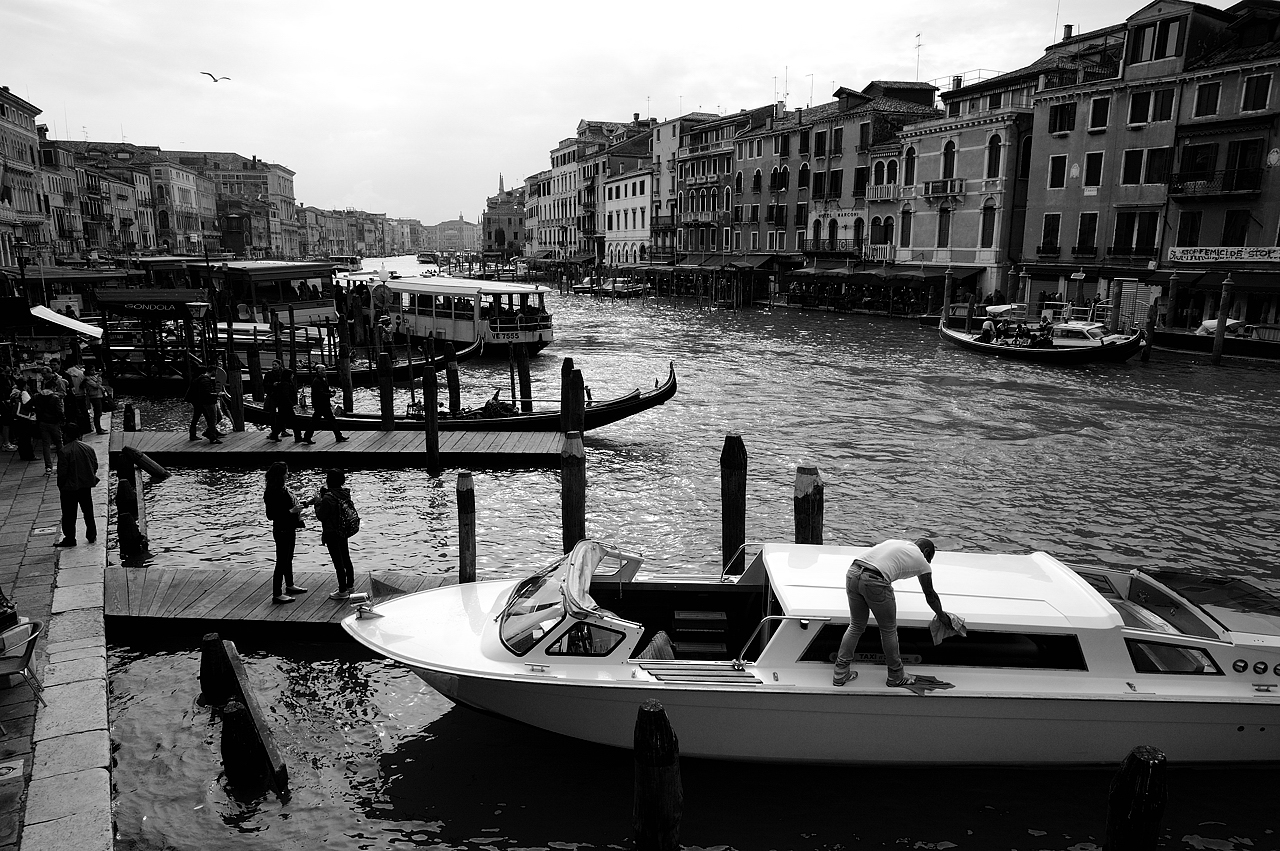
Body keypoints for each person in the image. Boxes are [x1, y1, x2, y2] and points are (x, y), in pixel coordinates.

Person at [833, 538, 954, 689]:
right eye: (929, 559)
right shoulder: (922, 560)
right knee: (888, 629)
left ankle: (840, 672)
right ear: (927, 552)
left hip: (853, 572)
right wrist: (942, 616)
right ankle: (896, 675)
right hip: (875, 579)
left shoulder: (896, 543)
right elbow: (930, 594)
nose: (927, 563)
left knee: (856, 625)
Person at [262, 461, 309, 604]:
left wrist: (308, 503)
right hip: (281, 529)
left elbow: (292, 504)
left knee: (288, 559)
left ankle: (290, 584)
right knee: (281, 562)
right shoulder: (271, 492)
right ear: (280, 475)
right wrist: (291, 512)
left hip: (289, 528)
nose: (288, 475)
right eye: (286, 473)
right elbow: (271, 515)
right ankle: (277, 593)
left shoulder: (282, 489)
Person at [54, 423, 99, 547]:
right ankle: (92, 534)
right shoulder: (88, 448)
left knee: (69, 514)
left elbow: (62, 473)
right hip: (85, 485)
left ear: (67, 435)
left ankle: (70, 538)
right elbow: (95, 465)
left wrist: (61, 486)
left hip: (69, 488)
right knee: (88, 511)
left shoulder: (64, 451)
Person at [314, 469, 357, 599]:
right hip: (343, 531)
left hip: (332, 533)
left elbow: (321, 516)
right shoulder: (344, 494)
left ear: (328, 481)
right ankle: (350, 586)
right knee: (346, 559)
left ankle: (342, 590)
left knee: (338, 562)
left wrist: (317, 504)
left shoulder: (327, 498)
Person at [301, 364, 347, 444]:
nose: (325, 372)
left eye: (324, 370)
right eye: (323, 370)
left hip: (323, 404)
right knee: (326, 421)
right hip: (321, 405)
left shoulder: (323, 379)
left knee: (319, 421)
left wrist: (330, 392)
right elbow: (320, 394)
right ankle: (338, 436)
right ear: (318, 372)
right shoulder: (317, 381)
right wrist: (330, 395)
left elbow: (324, 391)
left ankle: (338, 436)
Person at [33, 376, 64, 475]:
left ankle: (48, 467)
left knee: (46, 445)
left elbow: (28, 406)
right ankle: (63, 463)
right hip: (54, 423)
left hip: (42, 422)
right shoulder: (55, 398)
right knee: (59, 443)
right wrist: (63, 420)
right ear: (53, 388)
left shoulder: (37, 396)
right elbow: (59, 411)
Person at [185, 365, 222, 443]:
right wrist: (217, 394)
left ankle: (211, 432)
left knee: (207, 418)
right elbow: (206, 393)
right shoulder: (204, 380)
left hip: (198, 400)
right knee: (210, 418)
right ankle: (211, 434)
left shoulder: (198, 379)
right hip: (200, 401)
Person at [264, 360, 298, 442]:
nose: (274, 366)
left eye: (275, 364)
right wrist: (272, 385)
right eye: (273, 365)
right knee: (274, 415)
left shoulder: (284, 374)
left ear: (280, 365)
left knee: (281, 418)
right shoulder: (269, 374)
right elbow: (264, 384)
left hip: (280, 398)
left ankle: (279, 432)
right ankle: (275, 432)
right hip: (273, 396)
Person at [82, 365, 109, 435]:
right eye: (92, 370)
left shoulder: (93, 377)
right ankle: (98, 429)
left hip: (98, 395)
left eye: (94, 370)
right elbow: (96, 386)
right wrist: (99, 377)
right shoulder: (87, 379)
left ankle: (99, 427)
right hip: (94, 397)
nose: (94, 372)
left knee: (99, 413)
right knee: (97, 413)